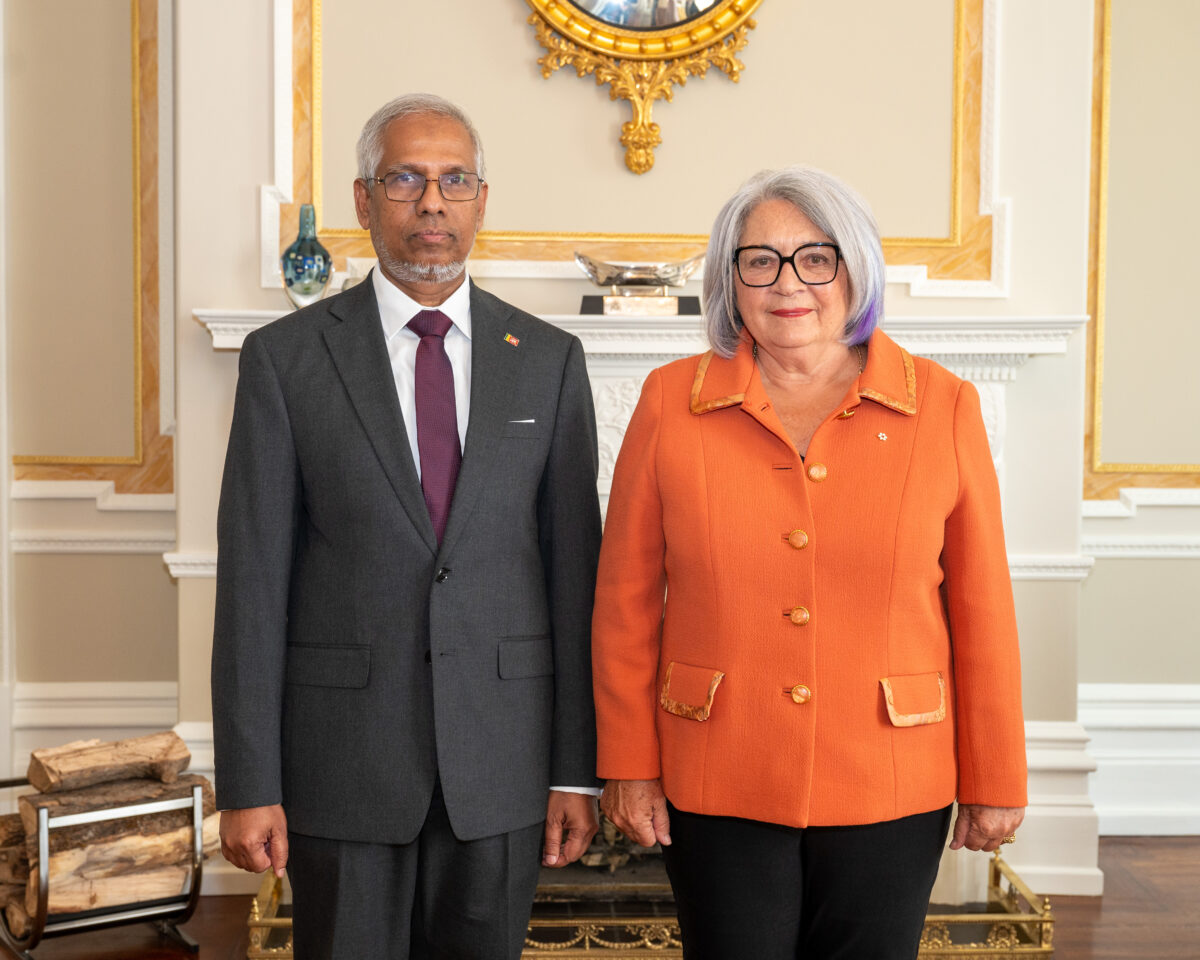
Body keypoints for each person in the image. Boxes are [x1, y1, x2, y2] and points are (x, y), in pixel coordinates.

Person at [591, 166, 1027, 960]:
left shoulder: (944, 407)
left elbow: (982, 607)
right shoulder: (667, 403)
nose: (788, 282)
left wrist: (996, 774)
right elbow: (622, 601)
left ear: (854, 268)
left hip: (892, 770)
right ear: (731, 280)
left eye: (815, 257)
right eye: (759, 260)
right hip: (717, 768)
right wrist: (627, 763)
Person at [212, 93, 603, 960]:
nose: (433, 202)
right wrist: (248, 781)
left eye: (453, 179)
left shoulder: (547, 361)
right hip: (340, 766)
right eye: (406, 179)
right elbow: (252, 585)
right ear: (363, 200)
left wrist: (578, 768)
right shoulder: (286, 362)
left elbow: (578, 581)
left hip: (500, 766)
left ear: (481, 200)